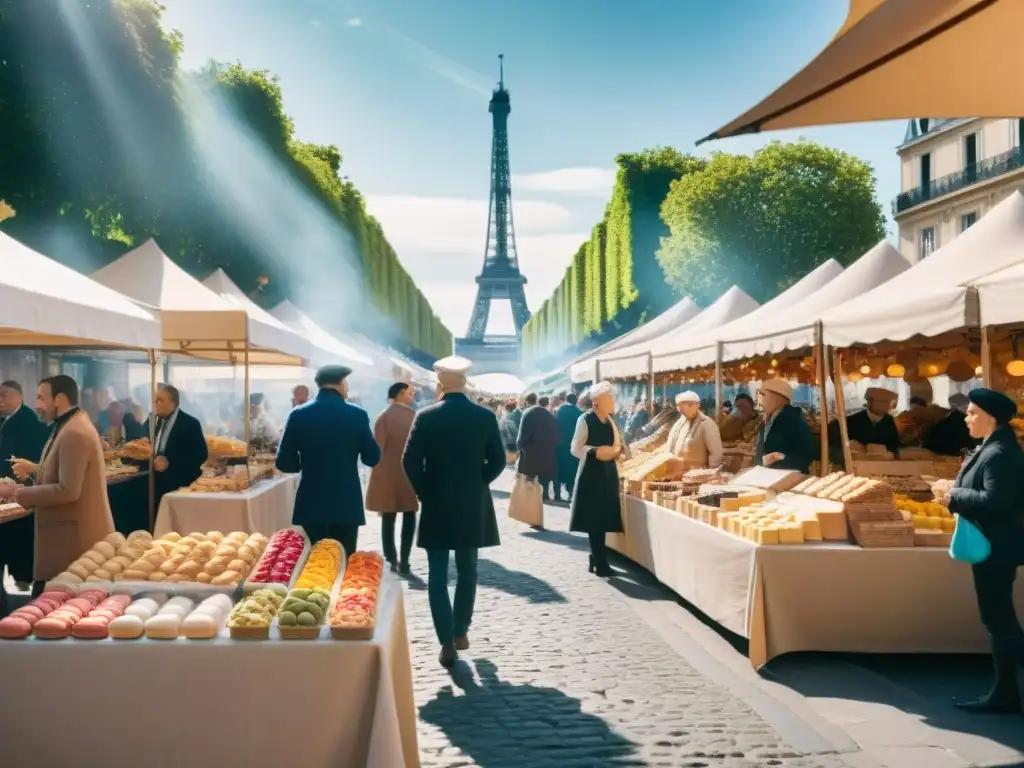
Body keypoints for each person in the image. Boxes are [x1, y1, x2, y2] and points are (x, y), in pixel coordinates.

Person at [402, 356, 505, 667]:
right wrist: (478, 483)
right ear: (465, 383)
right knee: (468, 569)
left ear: (440, 384)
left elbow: (409, 461)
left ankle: (445, 640)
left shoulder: (425, 415)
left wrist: (423, 489)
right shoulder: (484, 417)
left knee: (436, 574)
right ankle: (461, 630)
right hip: (472, 502)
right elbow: (499, 461)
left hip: (436, 502)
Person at [941, 388, 1024, 713]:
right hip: (993, 543)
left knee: (998, 618)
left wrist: (953, 497)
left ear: (989, 417)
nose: (967, 417)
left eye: (973, 412)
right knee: (997, 618)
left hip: (997, 545)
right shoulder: (993, 447)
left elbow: (996, 502)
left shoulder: (1000, 452)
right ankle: (1004, 692)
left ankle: (1004, 693)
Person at [0, 375, 114, 595]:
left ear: (59, 399)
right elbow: (62, 474)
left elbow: (68, 490)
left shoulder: (74, 432)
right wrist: (35, 470)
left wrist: (18, 492)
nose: (37, 405)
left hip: (72, 544)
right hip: (66, 540)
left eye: (41, 398)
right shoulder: (69, 425)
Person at [277, 365, 380, 555]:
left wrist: (306, 465)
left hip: (311, 502)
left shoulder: (298, 414)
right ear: (340, 384)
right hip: (346, 503)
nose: (347, 387)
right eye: (346, 382)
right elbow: (372, 458)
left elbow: (284, 463)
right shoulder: (357, 415)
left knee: (314, 565)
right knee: (343, 560)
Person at [569, 381, 628, 578]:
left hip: (608, 472)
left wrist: (618, 453)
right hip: (591, 474)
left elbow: (619, 443)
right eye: (608, 398)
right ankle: (600, 561)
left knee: (603, 517)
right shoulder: (584, 420)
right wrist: (595, 451)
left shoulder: (611, 420)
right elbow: (575, 448)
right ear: (597, 403)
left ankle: (596, 557)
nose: (612, 401)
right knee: (595, 519)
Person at [365, 382, 418, 574]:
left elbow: (376, 447)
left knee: (388, 519)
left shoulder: (384, 417)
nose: (412, 396)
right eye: (410, 393)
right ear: (401, 393)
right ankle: (405, 560)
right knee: (410, 515)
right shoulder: (415, 417)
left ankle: (390, 559)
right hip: (410, 475)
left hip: (387, 474)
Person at [0, 380, 48, 594]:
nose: (0, 400)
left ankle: (23, 577)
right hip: (4, 487)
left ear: (19, 397)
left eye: (5, 395)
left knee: (20, 533)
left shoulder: (30, 421)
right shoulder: (5, 419)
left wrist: (21, 482)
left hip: (21, 485)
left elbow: (35, 456)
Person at [151, 384, 208, 505]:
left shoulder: (190, 424)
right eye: (155, 401)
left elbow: (200, 455)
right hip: (155, 485)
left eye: (160, 400)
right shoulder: (152, 422)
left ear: (173, 402)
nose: (156, 404)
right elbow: (145, 444)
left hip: (180, 486)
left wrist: (170, 461)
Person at [754, 378, 815, 474]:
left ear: (776, 398)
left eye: (763, 394)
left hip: (788, 476)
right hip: (775, 474)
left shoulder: (789, 420)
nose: (760, 399)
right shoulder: (771, 419)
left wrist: (768, 460)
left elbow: (803, 455)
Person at [829, 387, 901, 461]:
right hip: (856, 467)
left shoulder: (889, 422)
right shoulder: (851, 421)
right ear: (870, 402)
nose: (891, 407)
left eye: (891, 403)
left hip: (883, 467)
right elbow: (833, 446)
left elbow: (895, 448)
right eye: (885, 402)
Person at [517, 393, 561, 502]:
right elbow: (556, 435)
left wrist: (520, 447)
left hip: (530, 451)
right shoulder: (548, 415)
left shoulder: (527, 413)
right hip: (547, 450)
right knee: (544, 475)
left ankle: (529, 496)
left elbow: (521, 435)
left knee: (529, 475)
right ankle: (544, 494)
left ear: (527, 402)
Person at [666, 391, 724, 468]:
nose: (687, 408)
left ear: (698, 406)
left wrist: (710, 473)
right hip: (677, 473)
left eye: (691, 404)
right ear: (678, 408)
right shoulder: (679, 424)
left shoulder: (707, 424)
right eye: (683, 406)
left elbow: (716, 454)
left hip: (698, 473)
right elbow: (669, 446)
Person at [555, 392, 583, 498]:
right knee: (572, 468)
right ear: (575, 400)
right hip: (573, 444)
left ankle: (558, 493)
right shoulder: (578, 412)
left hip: (561, 444)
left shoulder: (559, 411)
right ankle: (571, 491)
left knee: (561, 467)